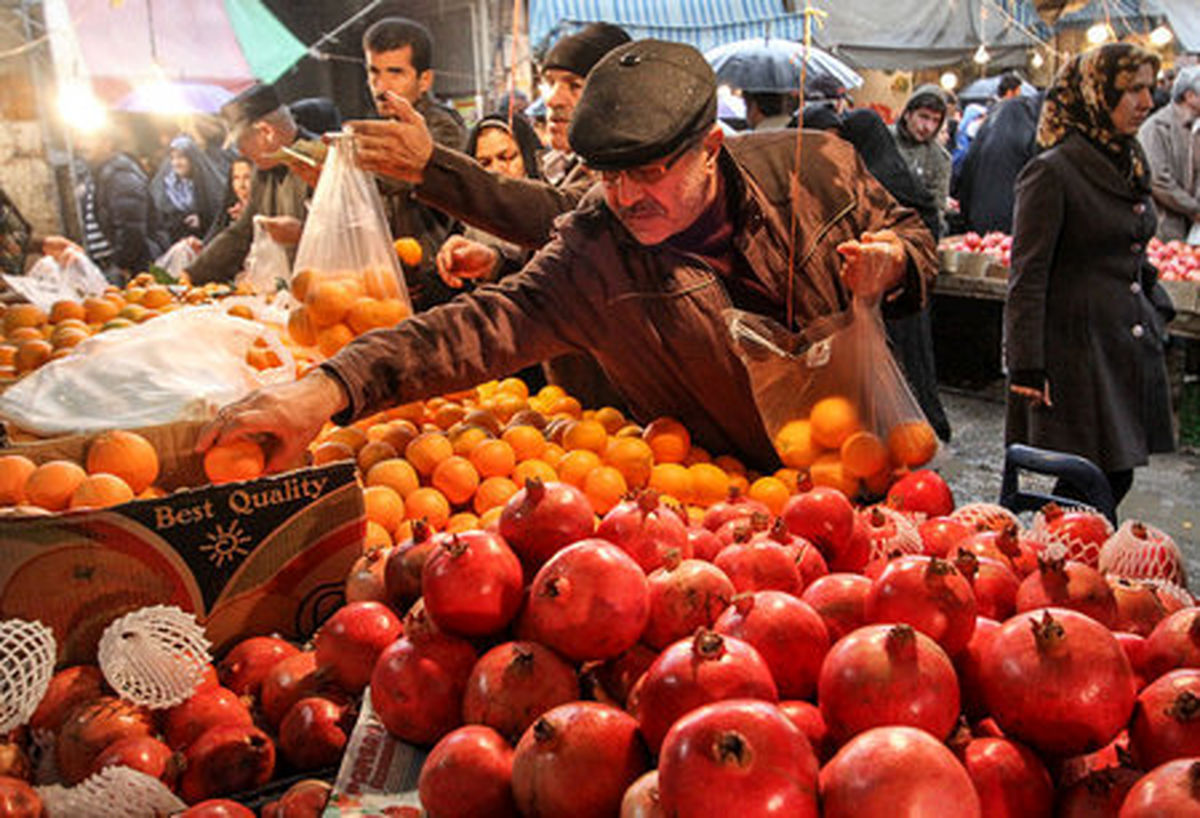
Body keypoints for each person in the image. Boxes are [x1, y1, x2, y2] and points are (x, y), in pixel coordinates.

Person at [199, 40, 937, 475]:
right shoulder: (596, 251)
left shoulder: (818, 168)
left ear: (709, 148)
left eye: (649, 173)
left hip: (877, 464)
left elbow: (910, 234)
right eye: (608, 175)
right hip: (739, 499)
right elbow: (475, 328)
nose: (625, 197)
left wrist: (895, 262)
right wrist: (325, 389)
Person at [350, 21, 632, 408]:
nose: (552, 99)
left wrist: (431, 166)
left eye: (573, 84)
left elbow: (564, 214)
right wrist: (498, 263)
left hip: (625, 410)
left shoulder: (624, 175)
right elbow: (548, 272)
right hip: (573, 405)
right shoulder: (568, 168)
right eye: (549, 82)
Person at [1006, 43, 1173, 509]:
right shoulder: (1052, 171)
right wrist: (1027, 366)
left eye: (1150, 88)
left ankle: (1077, 563)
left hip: (1123, 341)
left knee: (1115, 475)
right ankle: (1057, 566)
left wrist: (1155, 306)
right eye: (1132, 89)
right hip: (1075, 351)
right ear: (1096, 94)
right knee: (1086, 480)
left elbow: (1130, 248)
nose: (1146, 101)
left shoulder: (1129, 160)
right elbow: (1028, 275)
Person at [803, 106, 951, 441]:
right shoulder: (888, 167)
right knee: (911, 366)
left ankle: (910, 434)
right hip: (903, 288)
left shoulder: (874, 180)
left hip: (888, 288)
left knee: (896, 370)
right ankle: (922, 429)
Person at [362, 16, 467, 310]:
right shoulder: (382, 128)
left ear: (425, 80)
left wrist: (345, 168)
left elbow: (398, 174)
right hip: (390, 281)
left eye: (395, 73)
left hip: (437, 284)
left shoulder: (443, 128)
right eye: (373, 73)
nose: (381, 86)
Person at [185, 84, 316, 285]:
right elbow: (241, 233)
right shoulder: (263, 170)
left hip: (333, 289)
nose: (242, 153)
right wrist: (193, 274)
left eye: (241, 143)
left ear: (266, 131)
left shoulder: (321, 160)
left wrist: (303, 234)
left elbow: (352, 233)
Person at [75, 115, 168, 283]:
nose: (82, 145)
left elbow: (131, 229)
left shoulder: (121, 177)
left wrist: (121, 264)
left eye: (89, 140)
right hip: (106, 266)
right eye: (81, 139)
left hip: (125, 269)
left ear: (107, 144)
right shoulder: (94, 176)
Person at [955, 92, 1042, 235]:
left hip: (978, 221)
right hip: (1013, 224)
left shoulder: (994, 119)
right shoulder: (1030, 126)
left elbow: (968, 170)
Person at [1138, 66, 1200, 242]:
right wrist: (1193, 208)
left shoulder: (1195, 127)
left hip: (1192, 229)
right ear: (1189, 96)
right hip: (1165, 228)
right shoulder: (1156, 128)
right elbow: (1158, 179)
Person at [891, 85, 952, 235]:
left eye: (935, 121)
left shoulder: (939, 159)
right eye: (923, 117)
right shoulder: (884, 139)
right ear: (907, 114)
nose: (928, 127)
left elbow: (937, 207)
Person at [151, 134, 225, 244]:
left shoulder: (207, 184)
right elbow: (157, 219)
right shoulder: (164, 185)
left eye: (181, 157)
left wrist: (203, 220)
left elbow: (218, 215)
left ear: (192, 159)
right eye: (173, 158)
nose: (176, 163)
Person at [203, 156, 255, 243]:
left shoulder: (268, 208)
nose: (241, 185)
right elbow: (212, 239)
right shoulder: (228, 210)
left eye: (247, 177)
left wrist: (246, 219)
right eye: (236, 178)